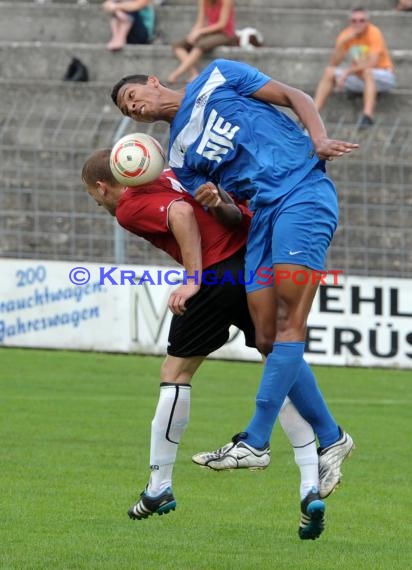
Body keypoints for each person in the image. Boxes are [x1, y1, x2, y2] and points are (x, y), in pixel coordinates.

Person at [110, 56, 358, 529]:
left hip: (302, 192)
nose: (136, 107)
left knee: (289, 322)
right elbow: (226, 217)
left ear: (154, 81)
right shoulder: (181, 160)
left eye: (133, 96)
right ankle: (332, 437)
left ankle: (256, 441)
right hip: (262, 218)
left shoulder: (219, 74)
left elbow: (294, 96)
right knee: (267, 337)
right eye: (129, 108)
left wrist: (319, 138)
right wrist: (218, 202)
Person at [81, 151, 352, 540]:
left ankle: (159, 486)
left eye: (95, 197)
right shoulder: (171, 173)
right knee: (280, 366)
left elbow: (181, 215)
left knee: (175, 373)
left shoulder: (128, 206)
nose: (100, 203)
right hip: (256, 259)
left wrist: (192, 277)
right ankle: (311, 484)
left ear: (104, 186)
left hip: (216, 274)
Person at [313, 7, 396, 128]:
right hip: (360, 77)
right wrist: (342, 43)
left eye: (362, 20)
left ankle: (367, 116)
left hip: (384, 76)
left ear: (367, 22)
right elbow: (333, 63)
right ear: (350, 22)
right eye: (354, 21)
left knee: (367, 72)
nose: (358, 24)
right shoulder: (346, 34)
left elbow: (372, 62)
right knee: (329, 72)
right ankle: (312, 113)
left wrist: (347, 72)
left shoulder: (374, 32)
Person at [167, 0, 236, 85]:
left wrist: (200, 32)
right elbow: (200, 21)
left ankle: (176, 74)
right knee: (178, 45)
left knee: (200, 45)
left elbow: (222, 24)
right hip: (209, 33)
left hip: (225, 34)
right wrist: (193, 34)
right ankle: (194, 73)